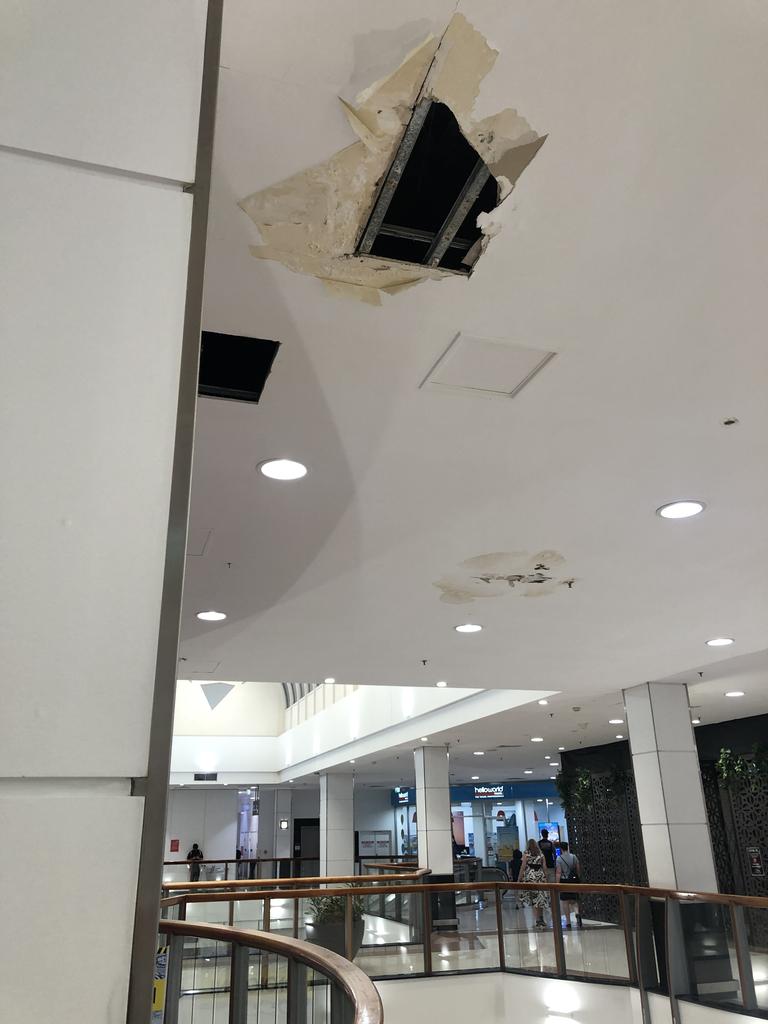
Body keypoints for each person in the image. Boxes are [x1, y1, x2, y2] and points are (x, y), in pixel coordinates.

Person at [518, 838, 550, 929]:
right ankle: (541, 918)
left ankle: (537, 920)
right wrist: (546, 879)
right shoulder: (541, 855)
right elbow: (545, 868)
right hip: (540, 876)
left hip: (530, 877)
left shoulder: (526, 854)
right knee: (541, 898)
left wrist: (519, 879)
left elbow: (523, 867)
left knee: (534, 899)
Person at [555, 841, 583, 929]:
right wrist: (578, 878)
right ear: (567, 847)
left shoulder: (559, 859)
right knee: (574, 900)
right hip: (573, 881)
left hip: (564, 881)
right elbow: (578, 869)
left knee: (565, 901)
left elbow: (558, 872)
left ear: (561, 848)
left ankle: (568, 922)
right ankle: (577, 913)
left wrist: (557, 883)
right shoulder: (574, 857)